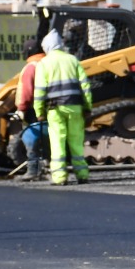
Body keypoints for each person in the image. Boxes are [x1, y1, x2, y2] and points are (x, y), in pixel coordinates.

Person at [32, 29, 92, 186]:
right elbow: (85, 86)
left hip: (55, 110)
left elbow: (39, 91)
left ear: (47, 47)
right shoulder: (73, 60)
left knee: (57, 142)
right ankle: (82, 175)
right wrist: (87, 107)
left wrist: (39, 111)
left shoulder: (43, 64)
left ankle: (59, 177)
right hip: (75, 107)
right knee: (76, 142)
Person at [13, 37, 49, 179]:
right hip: (51, 107)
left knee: (31, 137)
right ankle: (48, 167)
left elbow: (26, 91)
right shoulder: (48, 63)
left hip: (34, 108)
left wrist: (21, 108)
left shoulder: (31, 67)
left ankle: (33, 170)